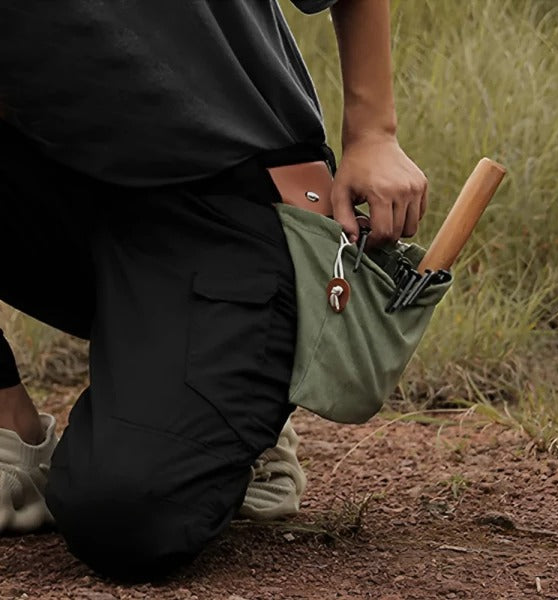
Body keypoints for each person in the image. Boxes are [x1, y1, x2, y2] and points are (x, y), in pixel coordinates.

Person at [0, 0, 427, 580]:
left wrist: (374, 134)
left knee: (126, 515)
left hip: (221, 191)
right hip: (52, 181)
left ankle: (242, 397)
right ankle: (9, 426)